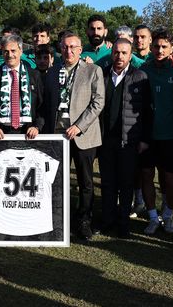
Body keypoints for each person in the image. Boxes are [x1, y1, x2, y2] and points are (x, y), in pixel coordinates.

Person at [43, 32, 104, 240]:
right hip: (58, 135)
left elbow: (98, 103)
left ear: (80, 50)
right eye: (65, 47)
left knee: (85, 182)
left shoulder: (93, 70)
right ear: (60, 49)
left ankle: (84, 220)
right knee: (58, 180)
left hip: (83, 135)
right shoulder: (52, 72)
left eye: (73, 47)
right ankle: (61, 219)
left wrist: (79, 126)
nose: (68, 51)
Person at [98, 38, 151, 238]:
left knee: (126, 183)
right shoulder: (102, 75)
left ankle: (123, 223)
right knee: (107, 183)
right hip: (105, 140)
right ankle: (107, 220)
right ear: (112, 54)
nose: (119, 56)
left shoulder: (140, 77)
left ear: (130, 55)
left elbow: (147, 111)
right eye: (116, 52)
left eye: (124, 53)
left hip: (129, 140)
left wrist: (144, 139)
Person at [139, 29, 173, 235]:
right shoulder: (144, 69)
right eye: (156, 46)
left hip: (172, 136)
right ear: (151, 47)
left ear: (172, 49)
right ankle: (152, 217)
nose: (159, 50)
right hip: (147, 135)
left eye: (164, 47)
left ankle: (167, 216)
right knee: (146, 176)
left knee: (171, 181)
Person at [0, 34, 44, 139]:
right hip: (0, 134)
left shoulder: (34, 75)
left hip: (28, 133)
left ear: (21, 51)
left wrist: (37, 127)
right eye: (6, 51)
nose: (9, 55)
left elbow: (42, 105)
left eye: (13, 51)